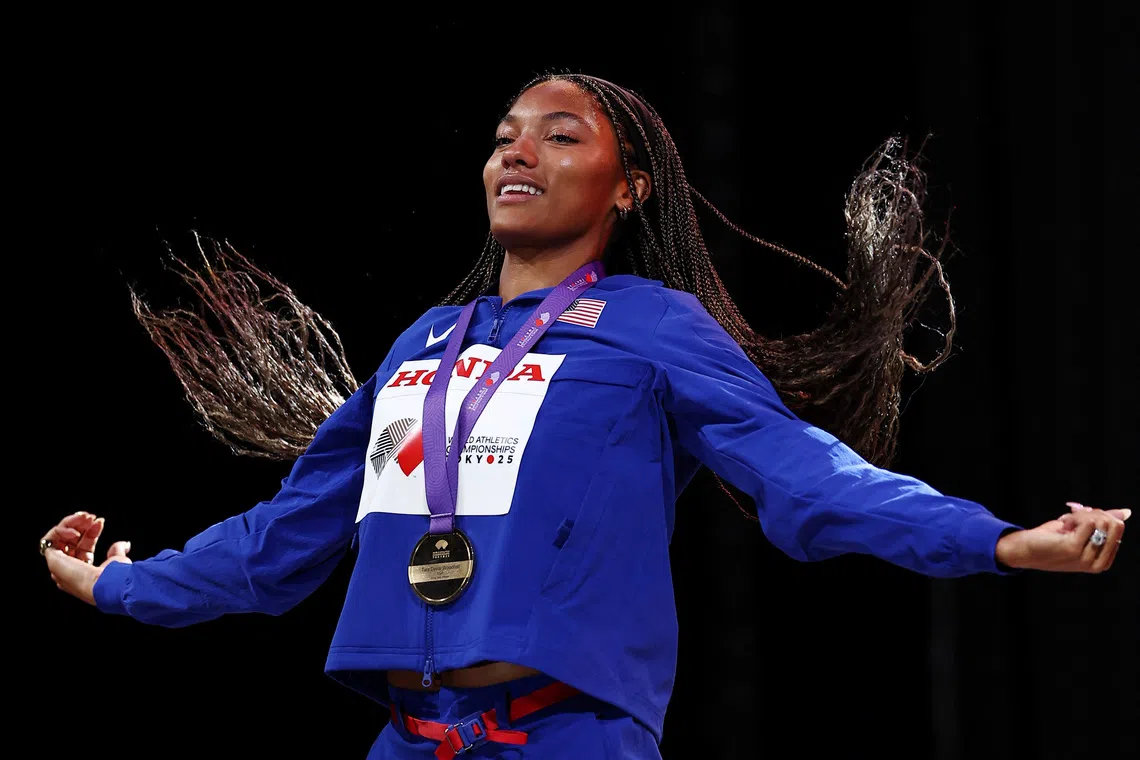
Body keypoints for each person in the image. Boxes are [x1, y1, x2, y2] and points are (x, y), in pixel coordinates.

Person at [40, 73, 1128, 759]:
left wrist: (994, 540)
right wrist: (123, 585)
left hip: (571, 736)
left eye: (559, 136)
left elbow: (808, 474)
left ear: (629, 187)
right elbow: (286, 535)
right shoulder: (425, 342)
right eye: (507, 134)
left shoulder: (653, 329)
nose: (517, 151)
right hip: (410, 739)